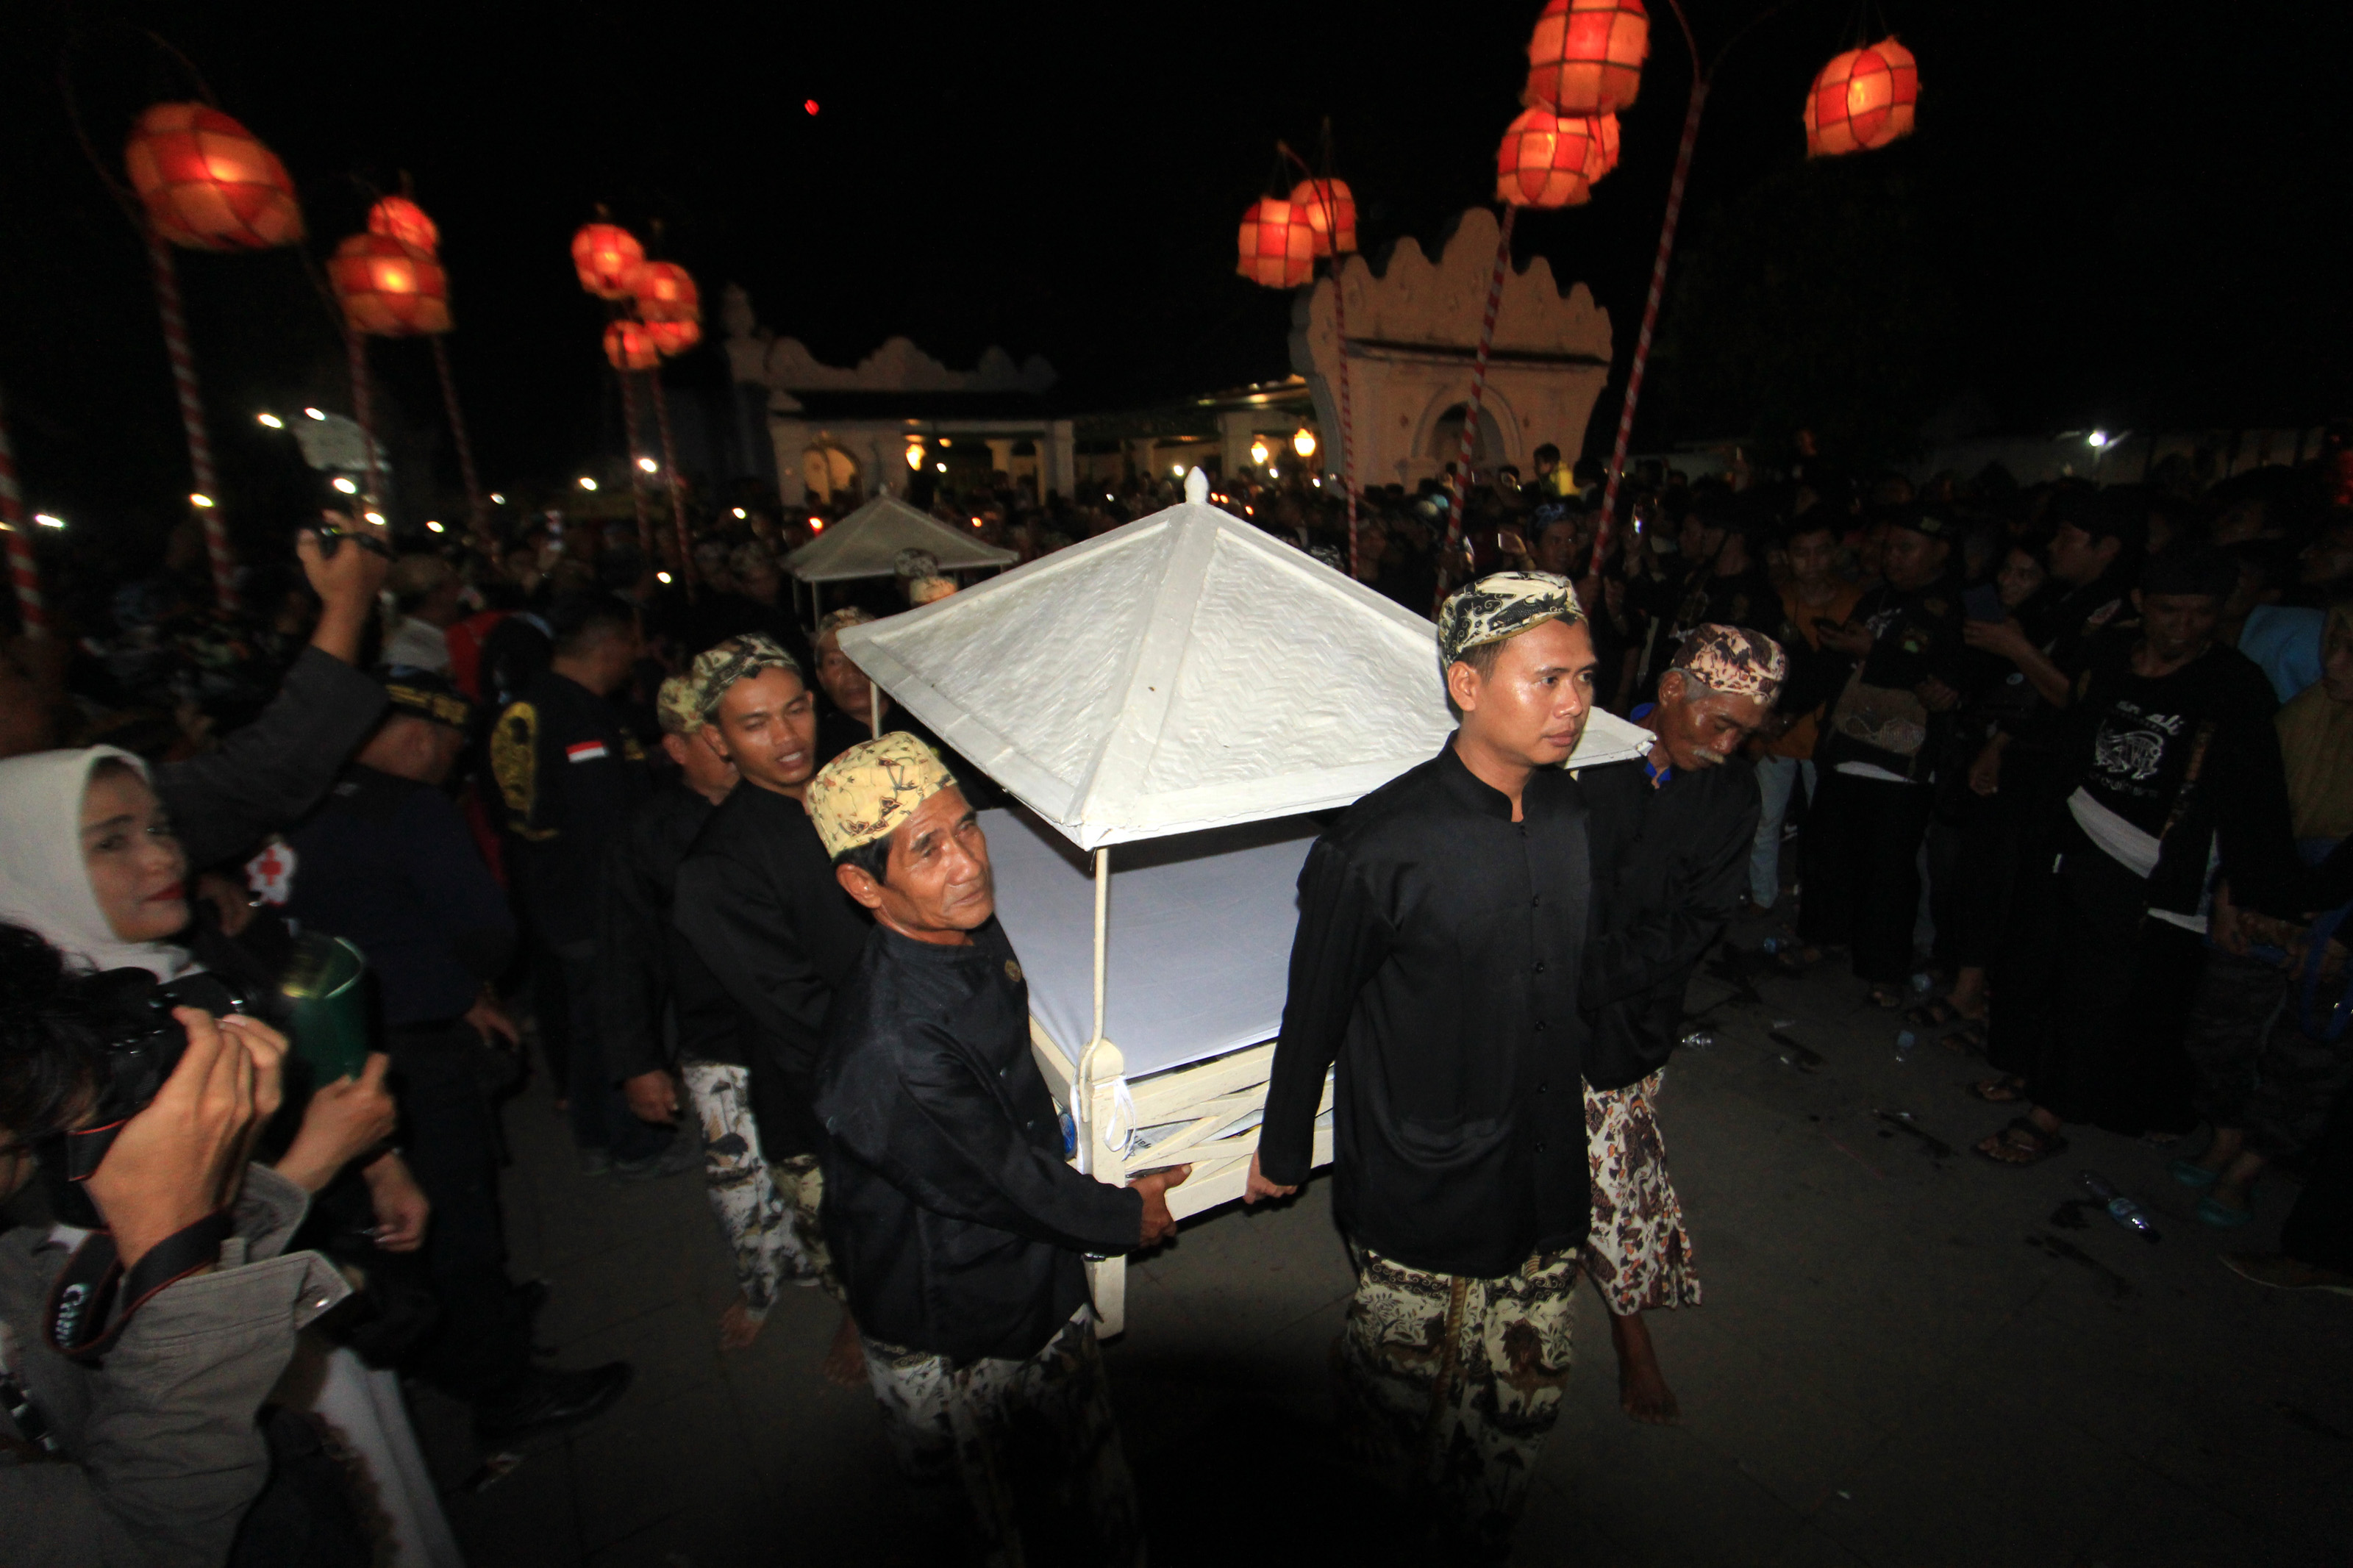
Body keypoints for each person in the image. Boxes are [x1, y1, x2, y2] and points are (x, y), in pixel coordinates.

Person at [1251, 570, 1598, 1558]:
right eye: (1547, 679)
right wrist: (1282, 1147)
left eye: (1584, 678)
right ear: (1467, 684)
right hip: (1423, 1183)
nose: (1574, 703)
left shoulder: (1575, 821)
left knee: (1518, 1408)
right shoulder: (1377, 845)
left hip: (1543, 1180)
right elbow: (1313, 1009)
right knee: (1394, 1411)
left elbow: (1578, 988)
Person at [808, 734, 1184, 1565]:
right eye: (926, 849)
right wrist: (1127, 1213)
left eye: (966, 828)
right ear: (863, 883)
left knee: (1081, 1462)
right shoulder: (894, 1047)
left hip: (1019, 1254)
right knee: (978, 1515)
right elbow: (999, 1180)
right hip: (948, 1303)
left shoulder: (960, 929)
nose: (967, 862)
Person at [268, 673, 633, 1439]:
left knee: (410, 1221)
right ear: (415, 735)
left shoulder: (291, 802)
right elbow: (487, 933)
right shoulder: (410, 810)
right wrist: (470, 981)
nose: (450, 766)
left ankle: (473, 1325)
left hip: (320, 1047)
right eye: (448, 750)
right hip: (413, 1056)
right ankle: (506, 1388)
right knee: (454, 1218)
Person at [0, 932, 354, 1567]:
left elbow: (109, 1385)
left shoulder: (11, 1262)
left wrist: (204, 1194)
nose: (30, 1154)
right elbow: (148, 1545)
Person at [1977, 548, 2298, 1162]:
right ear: (2144, 606)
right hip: (2075, 827)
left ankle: (2050, 1113)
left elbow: (2254, 798)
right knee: (2038, 964)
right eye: (2171, 610)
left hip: (2144, 859)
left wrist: (2247, 889)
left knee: (2095, 990)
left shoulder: (2234, 685)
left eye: (2203, 613)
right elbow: (2072, 727)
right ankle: (2034, 1073)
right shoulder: (2106, 655)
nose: (2185, 626)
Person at [1578, 625, 1784, 1425]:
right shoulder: (1582, 754)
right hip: (1521, 1009)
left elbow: (1693, 924)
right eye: (1720, 724)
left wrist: (1577, 978)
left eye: (1744, 734)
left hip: (1626, 1020)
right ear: (1670, 693)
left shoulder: (1730, 796)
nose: (1730, 746)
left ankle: (1630, 1335)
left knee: (1615, 1184)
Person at [671, 636, 872, 1381]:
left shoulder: (850, 800)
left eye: (794, 711)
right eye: (755, 724)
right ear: (718, 740)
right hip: (821, 1087)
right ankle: (857, 1316)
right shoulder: (719, 866)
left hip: (902, 1043)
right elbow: (797, 1010)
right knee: (843, 1228)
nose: (785, 737)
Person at [607, 672, 814, 1350]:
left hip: (795, 1031)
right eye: (728, 731)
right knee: (738, 1183)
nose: (735, 748)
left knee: (819, 1174)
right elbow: (625, 952)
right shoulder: (652, 833)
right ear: (682, 745)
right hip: (718, 1038)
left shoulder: (807, 803)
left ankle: (849, 1297)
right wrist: (639, 1062)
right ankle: (761, 1283)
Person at [2173, 600, 2353, 1222]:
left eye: (2351, 652)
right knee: (2218, 1021)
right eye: (2336, 642)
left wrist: (2340, 933)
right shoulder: (2310, 712)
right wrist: (2232, 890)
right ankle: (2224, 1132)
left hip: (2338, 917)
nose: (2332, 662)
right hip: (2265, 889)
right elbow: (2254, 806)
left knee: (2308, 1054)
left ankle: (2252, 1163)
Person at [490, 593, 681, 1178]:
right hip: (591, 901)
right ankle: (632, 1144)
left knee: (586, 1021)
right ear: (608, 646)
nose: (637, 656)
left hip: (554, 896)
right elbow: (607, 824)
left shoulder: (535, 705)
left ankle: (597, 1132)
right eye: (632, 643)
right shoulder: (574, 720)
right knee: (613, 1021)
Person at [1795, 507, 1968, 1007]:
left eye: (1906, 548)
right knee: (1827, 852)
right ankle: (1822, 937)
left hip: (1903, 759)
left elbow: (1945, 679)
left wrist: (1874, 650)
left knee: (1888, 870)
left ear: (1939, 551)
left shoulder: (1954, 608)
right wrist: (1789, 710)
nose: (1893, 557)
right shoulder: (1876, 599)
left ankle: (1883, 967)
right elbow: (1834, 664)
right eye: (1889, 547)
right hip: (1848, 747)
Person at [1751, 517, 1863, 913]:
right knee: (1767, 820)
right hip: (1777, 735)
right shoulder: (1775, 601)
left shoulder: (1855, 601)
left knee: (1823, 828)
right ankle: (1762, 898)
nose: (1812, 562)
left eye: (1820, 552)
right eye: (1802, 553)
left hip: (1826, 737)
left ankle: (1816, 905)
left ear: (1834, 553)